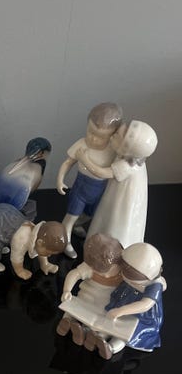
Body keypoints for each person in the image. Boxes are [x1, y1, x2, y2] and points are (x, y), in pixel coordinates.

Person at [77, 120, 157, 248]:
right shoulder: (133, 159)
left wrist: (84, 159)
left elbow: (102, 173)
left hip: (120, 200)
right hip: (117, 192)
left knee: (114, 221)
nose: (111, 136)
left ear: (126, 148)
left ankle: (108, 248)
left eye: (116, 136)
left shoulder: (127, 166)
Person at [57, 102, 122, 258]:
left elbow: (110, 172)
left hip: (100, 190)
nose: (93, 138)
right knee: (71, 216)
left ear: (113, 135)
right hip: (81, 189)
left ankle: (77, 225)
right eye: (90, 132)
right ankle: (65, 240)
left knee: (90, 215)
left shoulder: (112, 150)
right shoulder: (82, 145)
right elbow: (68, 163)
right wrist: (60, 179)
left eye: (101, 136)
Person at [98, 242, 166, 359]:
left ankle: (110, 348)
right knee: (108, 324)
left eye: (130, 272)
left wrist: (120, 311)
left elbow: (145, 305)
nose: (124, 273)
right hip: (123, 301)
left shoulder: (155, 285)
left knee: (124, 334)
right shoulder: (127, 274)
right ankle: (98, 338)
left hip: (142, 317)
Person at [57, 233, 123, 348]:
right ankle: (66, 322)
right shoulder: (91, 265)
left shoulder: (124, 269)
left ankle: (94, 337)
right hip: (86, 297)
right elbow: (74, 274)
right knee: (72, 309)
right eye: (99, 271)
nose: (106, 276)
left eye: (110, 270)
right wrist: (67, 290)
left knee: (103, 322)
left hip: (106, 304)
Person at [0, 204, 67, 280]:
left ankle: (1, 246)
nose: (49, 255)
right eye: (49, 253)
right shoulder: (22, 240)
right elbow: (16, 258)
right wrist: (20, 270)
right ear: (40, 242)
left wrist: (45, 264)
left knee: (4, 239)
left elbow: (41, 251)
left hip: (5, 218)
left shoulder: (39, 235)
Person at [0, 137, 52, 218]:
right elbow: (20, 197)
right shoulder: (35, 171)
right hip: (1, 212)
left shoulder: (15, 164)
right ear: (41, 153)